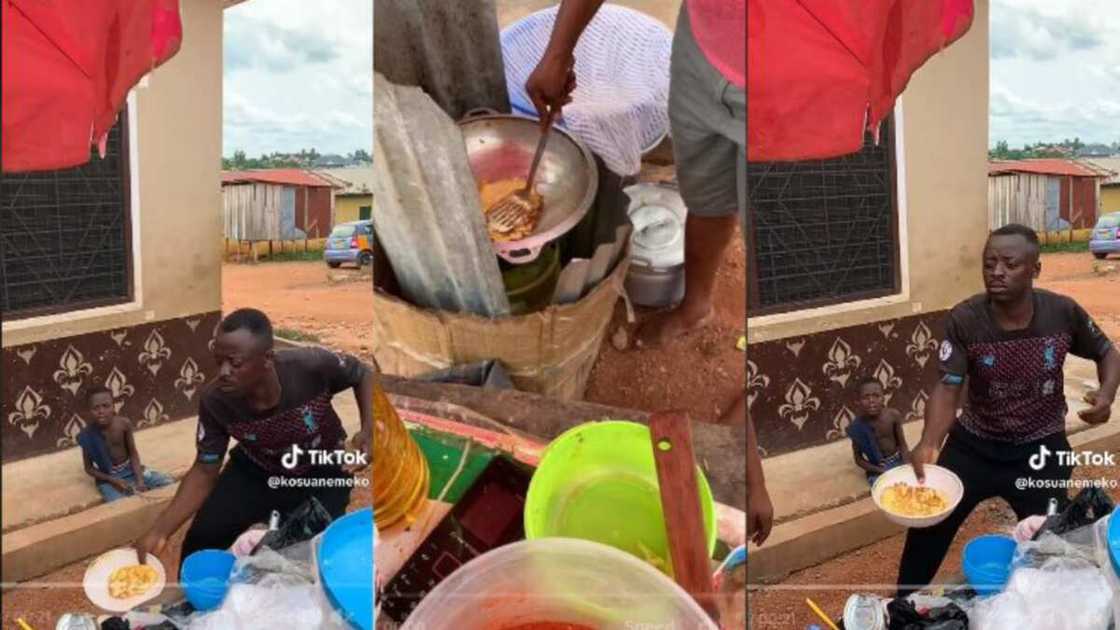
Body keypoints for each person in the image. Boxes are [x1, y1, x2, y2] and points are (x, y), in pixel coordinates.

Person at [897, 223, 1120, 596]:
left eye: (1009, 263)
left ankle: (1045, 611)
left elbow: (1107, 352)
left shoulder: (1061, 313)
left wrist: (1107, 394)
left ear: (1034, 270)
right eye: (989, 263)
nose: (996, 272)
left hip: (1041, 449)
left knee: (1049, 542)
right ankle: (900, 607)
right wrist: (929, 441)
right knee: (927, 529)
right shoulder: (965, 319)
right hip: (975, 446)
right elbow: (948, 387)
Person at [526, 0, 745, 347]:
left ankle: (772, 385)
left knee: (782, 242)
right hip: (704, 44)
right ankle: (695, 306)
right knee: (706, 191)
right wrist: (558, 52)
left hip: (800, 75)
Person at [133, 308, 373, 567]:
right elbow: (205, 469)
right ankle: (193, 602)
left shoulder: (310, 366)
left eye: (235, 363)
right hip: (257, 470)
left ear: (267, 359)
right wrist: (160, 530)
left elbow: (362, 374)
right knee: (202, 540)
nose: (224, 371)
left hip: (322, 467)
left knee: (308, 552)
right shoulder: (216, 400)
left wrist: (370, 428)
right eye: (218, 361)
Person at [79, 385, 174, 502]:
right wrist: (113, 480)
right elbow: (89, 468)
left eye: (106, 406)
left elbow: (133, 453)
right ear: (89, 411)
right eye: (96, 408)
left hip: (130, 469)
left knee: (167, 483)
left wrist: (140, 480)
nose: (101, 411)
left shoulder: (124, 424)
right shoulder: (86, 436)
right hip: (108, 477)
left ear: (114, 407)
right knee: (119, 504)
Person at [847, 377, 909, 486]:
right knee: (883, 489)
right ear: (858, 401)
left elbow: (903, 445)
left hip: (898, 459)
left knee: (910, 482)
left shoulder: (893, 416)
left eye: (876, 396)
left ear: (883, 398)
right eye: (866, 397)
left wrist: (906, 465)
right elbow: (858, 459)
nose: (871, 401)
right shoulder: (857, 427)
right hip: (877, 467)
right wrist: (880, 470)